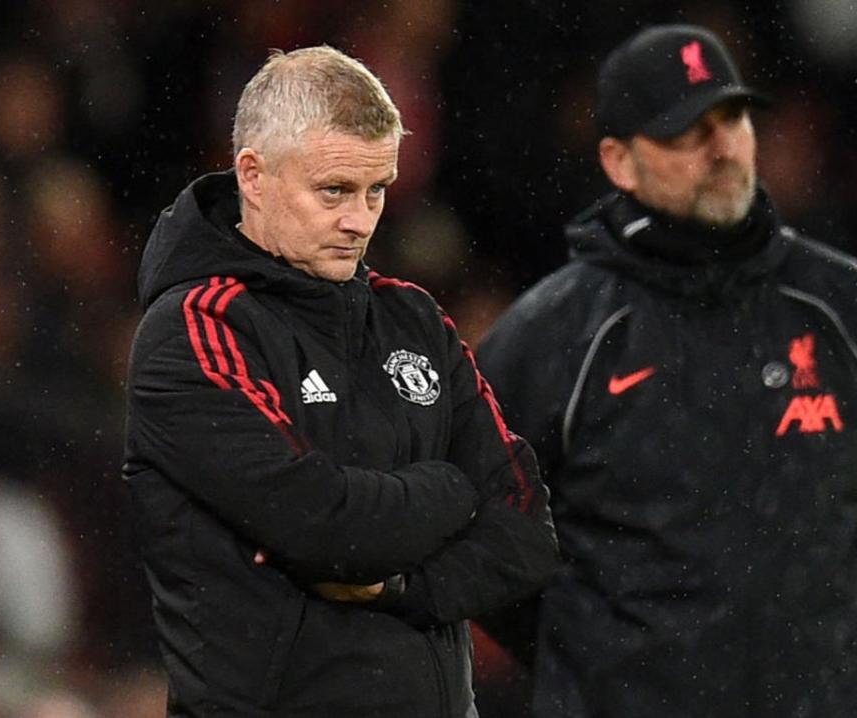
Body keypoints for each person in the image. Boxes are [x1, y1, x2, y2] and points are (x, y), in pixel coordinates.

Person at [476, 24, 857, 718]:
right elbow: (480, 539)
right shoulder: (557, 335)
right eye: (687, 131)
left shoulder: (837, 300)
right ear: (620, 162)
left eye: (734, 117)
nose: (724, 148)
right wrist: (605, 660)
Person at [122, 46, 557, 718]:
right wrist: (450, 488)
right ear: (254, 175)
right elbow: (325, 526)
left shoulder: (412, 318)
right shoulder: (196, 331)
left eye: (376, 189)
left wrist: (402, 588)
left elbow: (526, 532)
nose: (359, 220)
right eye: (334, 190)